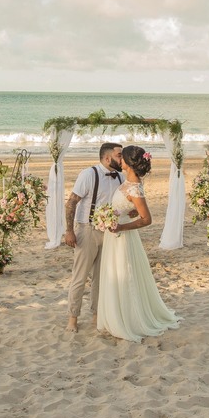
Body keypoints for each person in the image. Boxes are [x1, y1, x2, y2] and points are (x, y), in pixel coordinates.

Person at [95, 145, 180, 343]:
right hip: (114, 235)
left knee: (124, 275)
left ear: (129, 163)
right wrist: (121, 214)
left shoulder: (135, 188)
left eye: (122, 158)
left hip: (123, 237)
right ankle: (115, 316)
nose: (120, 161)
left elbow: (147, 219)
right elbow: (131, 209)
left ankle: (129, 319)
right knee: (113, 274)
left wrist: (121, 227)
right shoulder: (128, 183)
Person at [64, 142, 125, 332]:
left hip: (109, 232)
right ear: (108, 158)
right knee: (80, 277)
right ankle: (73, 319)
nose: (122, 159)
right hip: (87, 230)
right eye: (119, 155)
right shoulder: (88, 174)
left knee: (101, 277)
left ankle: (96, 316)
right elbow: (71, 203)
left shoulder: (121, 177)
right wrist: (69, 230)